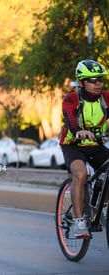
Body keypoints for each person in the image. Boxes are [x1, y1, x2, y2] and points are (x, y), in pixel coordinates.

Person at [60, 59, 109, 239]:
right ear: (81, 82)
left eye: (100, 80)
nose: (98, 83)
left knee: (107, 172)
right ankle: (79, 222)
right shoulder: (71, 98)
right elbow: (70, 118)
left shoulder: (106, 98)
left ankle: (99, 207)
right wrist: (79, 131)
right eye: (92, 80)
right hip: (73, 145)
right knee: (80, 175)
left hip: (95, 145)